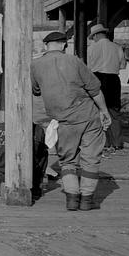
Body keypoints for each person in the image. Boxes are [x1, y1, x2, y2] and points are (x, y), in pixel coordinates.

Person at [30, 31, 111, 211]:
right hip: (87, 116)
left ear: (45, 46)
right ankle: (87, 200)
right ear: (64, 45)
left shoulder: (35, 65)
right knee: (91, 158)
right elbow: (95, 90)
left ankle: (72, 199)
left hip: (63, 120)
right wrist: (104, 111)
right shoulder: (74, 61)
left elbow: (36, 90)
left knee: (67, 160)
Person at [87, 23, 126, 149]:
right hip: (113, 79)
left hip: (96, 78)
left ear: (97, 35)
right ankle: (117, 143)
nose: (93, 39)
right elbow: (122, 66)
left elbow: (87, 67)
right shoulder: (117, 47)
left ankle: (103, 142)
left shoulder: (91, 48)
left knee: (97, 110)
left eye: (93, 37)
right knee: (114, 111)